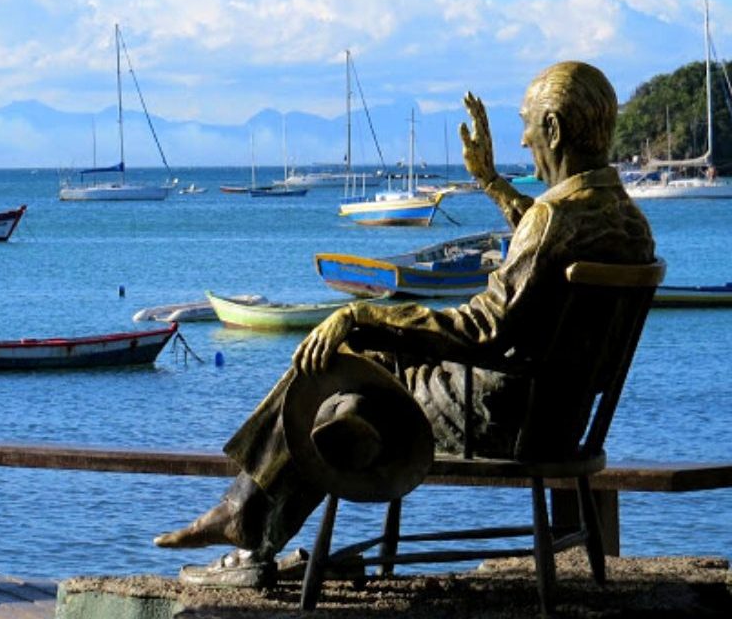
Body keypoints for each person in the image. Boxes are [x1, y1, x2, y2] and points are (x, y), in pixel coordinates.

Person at [154, 60, 656, 587]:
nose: (525, 139)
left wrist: (359, 313)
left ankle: (248, 523)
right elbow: (548, 244)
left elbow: (481, 330)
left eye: (528, 125)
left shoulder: (552, 220)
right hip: (561, 421)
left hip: (497, 418)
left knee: (334, 379)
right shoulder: (624, 218)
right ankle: (257, 523)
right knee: (350, 398)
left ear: (553, 129)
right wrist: (489, 181)